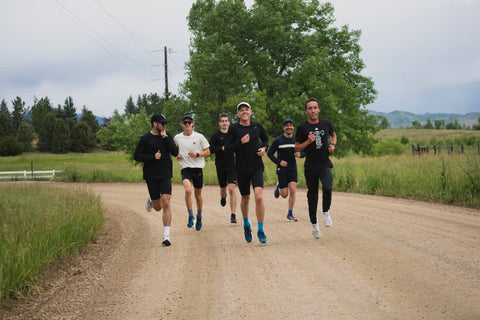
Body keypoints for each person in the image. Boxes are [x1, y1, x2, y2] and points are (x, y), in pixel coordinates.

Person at [134, 113, 178, 246]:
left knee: (166, 202)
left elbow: (175, 152)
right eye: (162, 123)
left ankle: (166, 236)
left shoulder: (167, 136)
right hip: (151, 175)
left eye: (165, 123)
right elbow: (137, 156)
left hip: (165, 174)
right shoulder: (145, 138)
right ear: (154, 124)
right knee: (158, 207)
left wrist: (166, 138)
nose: (164, 125)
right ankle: (151, 200)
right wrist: (152, 157)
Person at [295, 98, 337, 239]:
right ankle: (314, 223)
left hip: (324, 162)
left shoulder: (326, 124)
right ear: (306, 111)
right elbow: (296, 147)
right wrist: (308, 141)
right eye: (310, 108)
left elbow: (334, 135)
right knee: (312, 196)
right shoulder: (302, 128)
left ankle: (325, 211)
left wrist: (333, 146)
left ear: (319, 109)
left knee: (327, 187)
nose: (313, 110)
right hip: (311, 165)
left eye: (315, 108)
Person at [227, 102, 269, 243]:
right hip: (241, 169)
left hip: (256, 167)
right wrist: (240, 142)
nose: (244, 112)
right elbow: (228, 148)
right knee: (245, 198)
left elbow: (266, 140)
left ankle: (261, 230)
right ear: (238, 114)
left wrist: (264, 148)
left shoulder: (257, 126)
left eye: (246, 109)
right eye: (241, 110)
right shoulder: (234, 129)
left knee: (259, 198)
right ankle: (246, 224)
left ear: (250, 112)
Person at [174, 115, 210, 231]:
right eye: (185, 123)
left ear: (193, 123)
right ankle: (190, 215)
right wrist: (176, 154)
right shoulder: (177, 137)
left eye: (189, 122)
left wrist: (197, 155)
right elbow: (171, 148)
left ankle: (199, 215)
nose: (187, 124)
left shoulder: (199, 137)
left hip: (197, 168)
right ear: (182, 125)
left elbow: (208, 151)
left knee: (198, 195)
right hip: (185, 168)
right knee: (188, 190)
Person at [267, 118, 305, 222]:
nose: (289, 127)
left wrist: (300, 154)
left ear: (293, 127)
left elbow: (305, 151)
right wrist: (279, 162)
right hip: (282, 169)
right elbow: (269, 154)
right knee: (284, 195)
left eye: (291, 125)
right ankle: (279, 186)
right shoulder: (278, 140)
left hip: (293, 168)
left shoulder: (297, 140)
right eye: (287, 126)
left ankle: (290, 214)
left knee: (293, 190)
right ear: (284, 127)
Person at [209, 113, 238, 223]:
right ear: (219, 123)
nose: (224, 123)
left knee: (231, 189)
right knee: (223, 189)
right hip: (220, 165)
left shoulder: (233, 135)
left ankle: (233, 214)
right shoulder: (215, 136)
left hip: (232, 165)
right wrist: (221, 148)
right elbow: (211, 149)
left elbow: (238, 146)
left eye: (226, 121)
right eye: (222, 121)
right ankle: (223, 196)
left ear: (229, 123)